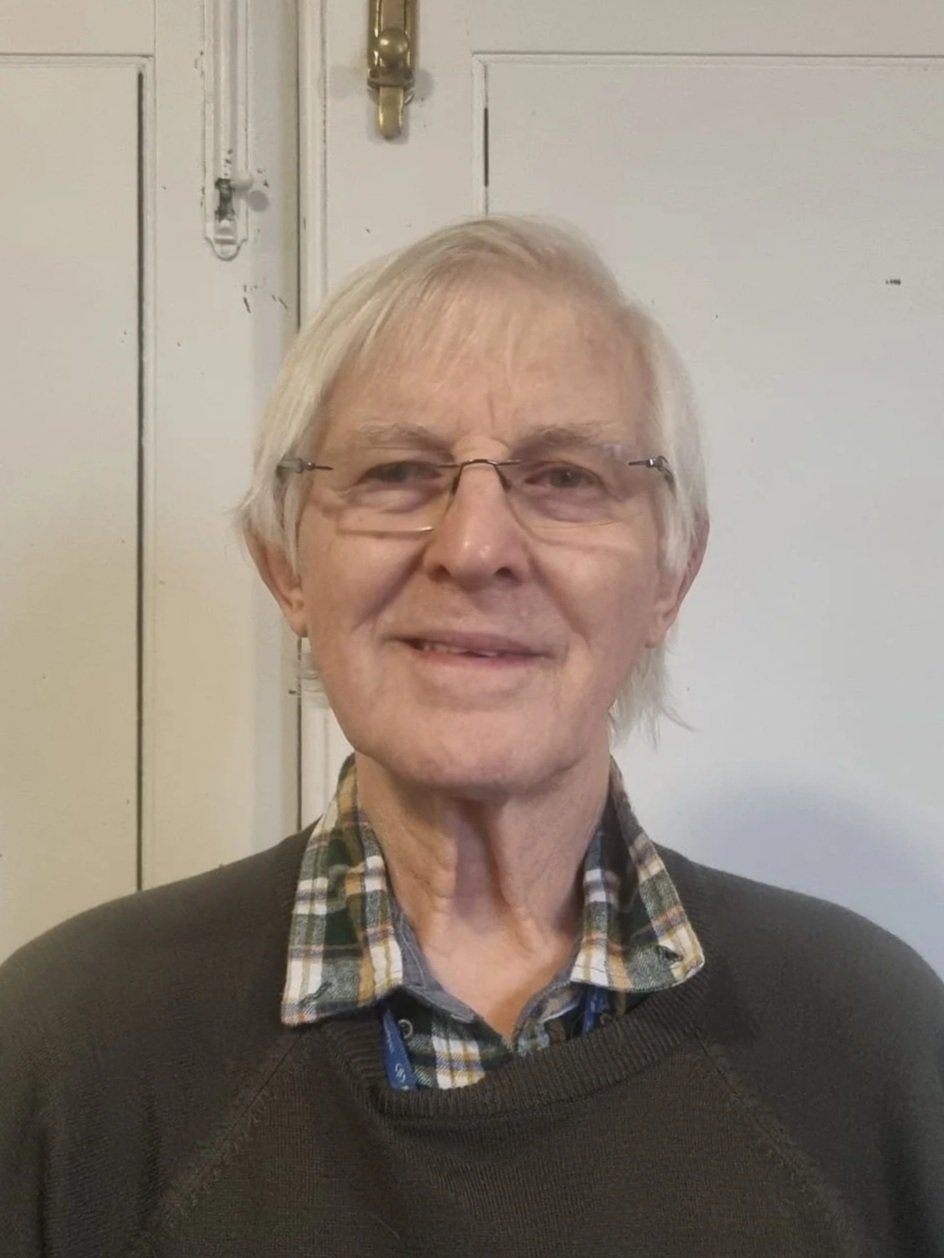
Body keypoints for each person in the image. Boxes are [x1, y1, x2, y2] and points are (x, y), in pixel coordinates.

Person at [1, 216, 942, 1257]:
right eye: (397, 471)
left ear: (670, 576)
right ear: (286, 566)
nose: (474, 545)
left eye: (566, 477)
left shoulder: (874, 1043)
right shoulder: (64, 1054)